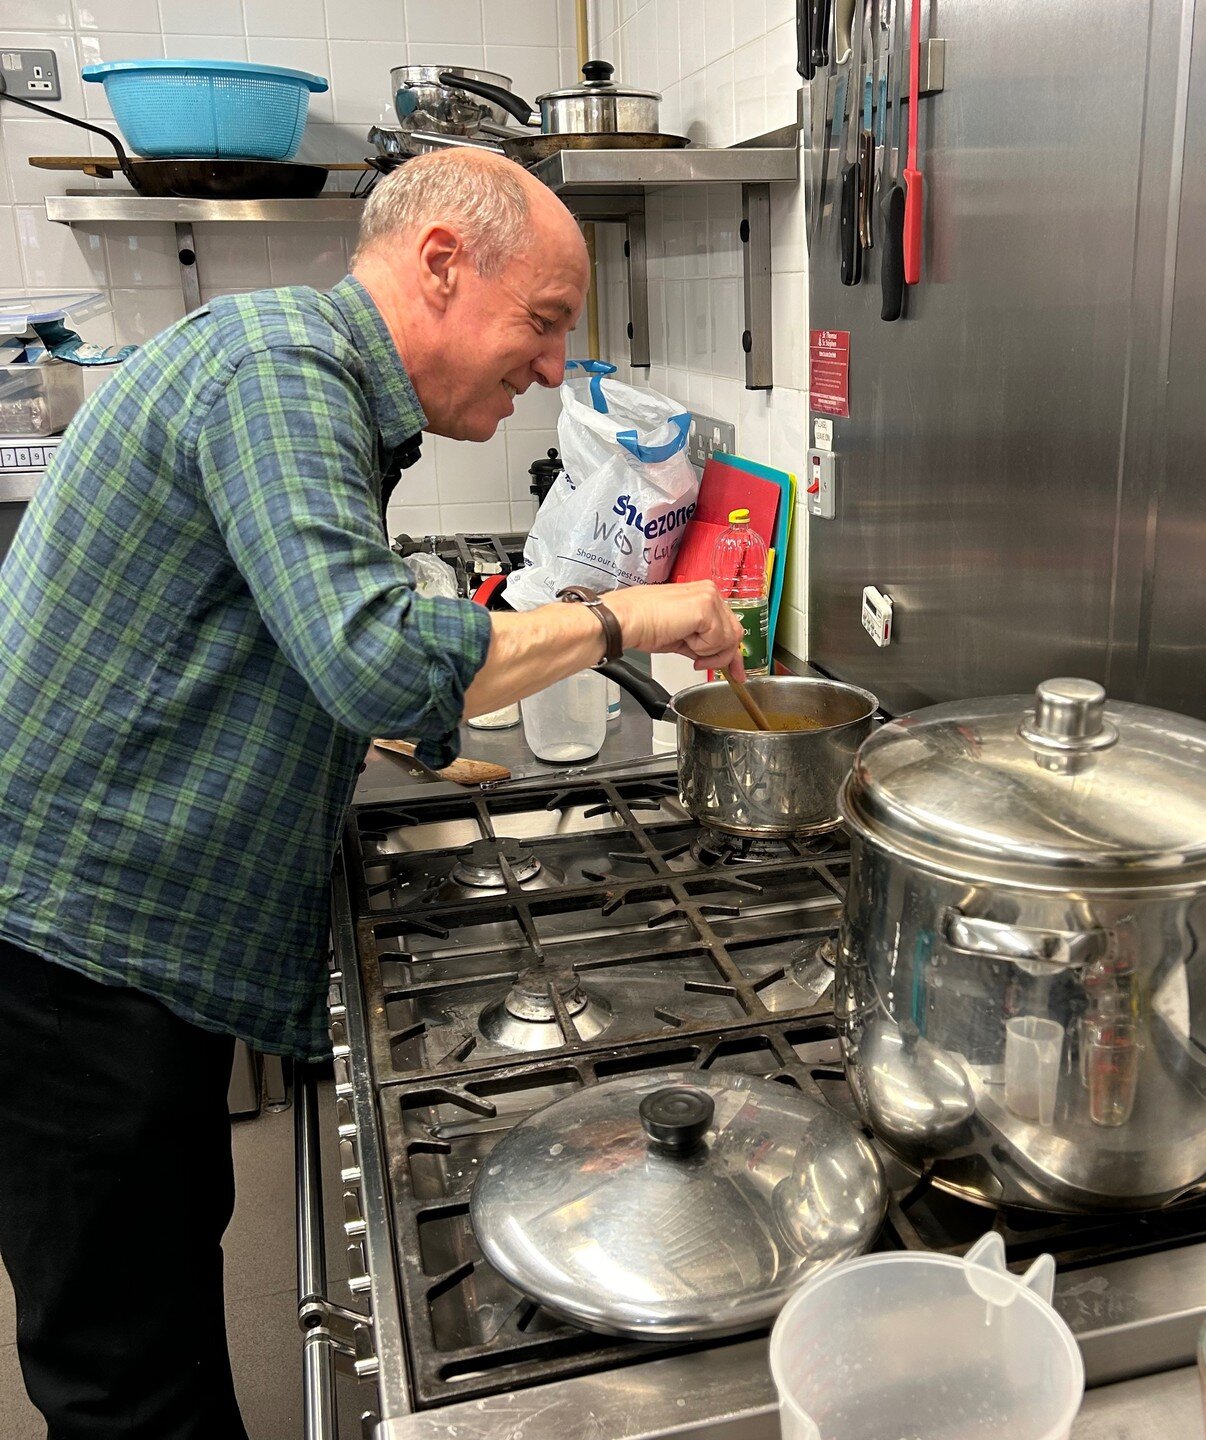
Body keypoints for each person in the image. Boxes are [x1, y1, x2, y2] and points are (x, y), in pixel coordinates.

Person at [0, 149, 741, 1440]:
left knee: (157, 1319)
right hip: (74, 954)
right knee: (128, 1382)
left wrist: (400, 731)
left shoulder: (311, 385)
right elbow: (377, 657)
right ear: (443, 262)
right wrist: (624, 615)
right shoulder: (276, 371)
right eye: (546, 321)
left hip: (116, 955)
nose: (553, 368)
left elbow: (308, 649)